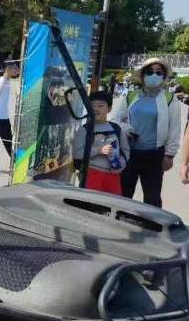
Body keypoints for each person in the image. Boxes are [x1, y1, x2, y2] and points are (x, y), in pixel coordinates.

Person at [110, 57, 182, 208]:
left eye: (159, 72)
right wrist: (126, 130)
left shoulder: (169, 99)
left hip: (155, 155)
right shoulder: (130, 96)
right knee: (123, 194)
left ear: (163, 77)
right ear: (143, 75)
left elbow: (174, 129)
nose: (154, 75)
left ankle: (153, 229)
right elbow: (116, 120)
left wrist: (169, 155)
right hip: (129, 153)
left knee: (152, 197)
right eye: (150, 72)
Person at [73, 91, 130, 194]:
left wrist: (120, 165)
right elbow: (77, 154)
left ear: (109, 109)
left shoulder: (116, 128)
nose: (95, 109)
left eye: (100, 105)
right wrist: (98, 150)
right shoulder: (84, 130)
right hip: (92, 175)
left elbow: (125, 150)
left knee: (111, 207)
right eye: (93, 105)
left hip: (113, 177)